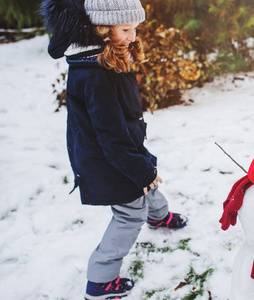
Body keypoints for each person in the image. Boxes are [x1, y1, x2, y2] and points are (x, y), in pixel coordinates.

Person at [41, 0, 188, 299]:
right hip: (108, 158)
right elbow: (109, 136)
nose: (133, 36)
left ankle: (158, 217)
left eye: (135, 28)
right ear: (101, 29)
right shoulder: (95, 73)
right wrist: (139, 166)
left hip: (121, 149)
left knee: (147, 180)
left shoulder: (103, 58)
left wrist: (141, 164)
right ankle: (100, 279)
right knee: (130, 210)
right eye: (126, 29)